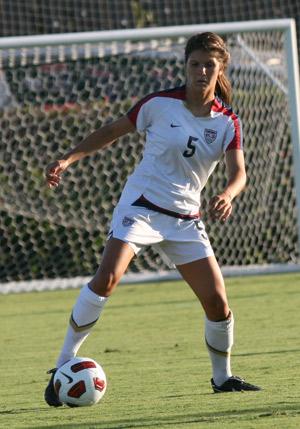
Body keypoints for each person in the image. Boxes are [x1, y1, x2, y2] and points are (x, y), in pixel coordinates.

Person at [44, 32, 261, 406]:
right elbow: (112, 131)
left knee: (217, 302)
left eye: (210, 65)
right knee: (108, 277)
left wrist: (227, 193)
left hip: (185, 219)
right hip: (141, 207)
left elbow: (238, 172)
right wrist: (68, 158)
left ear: (221, 68)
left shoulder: (228, 122)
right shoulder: (160, 104)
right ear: (186, 65)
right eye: (195, 64)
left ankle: (222, 378)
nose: (202, 71)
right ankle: (64, 362)